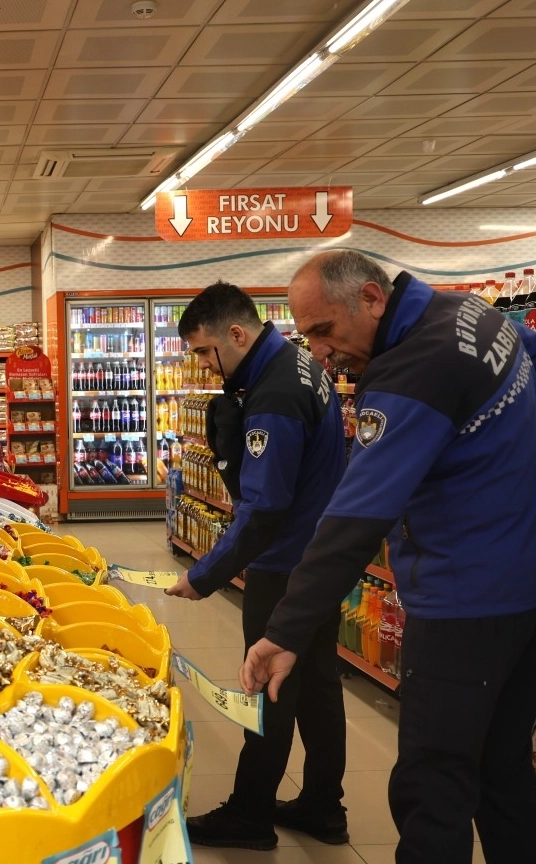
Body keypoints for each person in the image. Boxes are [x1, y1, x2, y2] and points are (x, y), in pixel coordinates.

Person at [241, 250, 536, 864]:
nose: (320, 352)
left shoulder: (414, 371)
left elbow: (356, 516)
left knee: (432, 784)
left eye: (324, 330)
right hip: (520, 587)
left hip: (462, 602)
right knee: (504, 771)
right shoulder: (471, 314)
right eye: (307, 336)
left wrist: (286, 630)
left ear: (372, 299)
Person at [163, 281, 348, 850]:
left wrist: (204, 575)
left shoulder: (273, 396)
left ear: (237, 335)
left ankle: (249, 814)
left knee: (266, 684)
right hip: (319, 557)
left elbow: (265, 510)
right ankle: (323, 805)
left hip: (285, 563)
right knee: (318, 686)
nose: (202, 363)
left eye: (204, 351)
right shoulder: (297, 365)